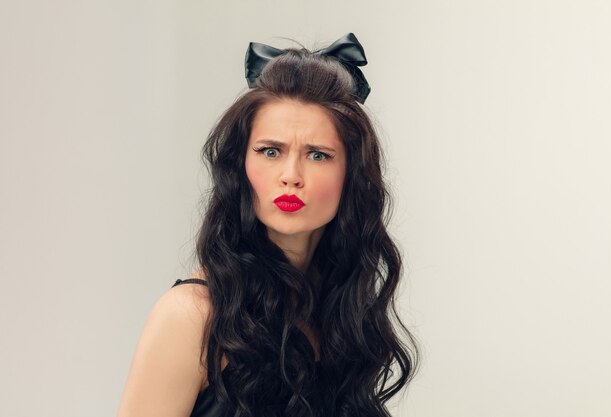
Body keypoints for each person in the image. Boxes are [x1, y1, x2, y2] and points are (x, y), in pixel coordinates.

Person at [116, 33, 418, 417]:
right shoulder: (191, 316)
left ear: (352, 176)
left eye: (318, 155)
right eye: (270, 151)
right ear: (240, 165)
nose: (291, 175)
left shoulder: (340, 314)